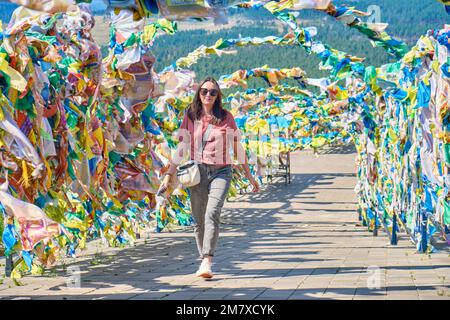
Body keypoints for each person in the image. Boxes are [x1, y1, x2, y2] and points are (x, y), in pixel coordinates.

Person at [159, 77, 260, 279]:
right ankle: (203, 258)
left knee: (212, 213)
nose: (208, 95)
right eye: (204, 91)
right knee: (198, 220)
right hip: (197, 173)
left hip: (222, 171)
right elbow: (182, 148)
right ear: (199, 93)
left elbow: (237, 148)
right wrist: (168, 175)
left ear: (218, 96)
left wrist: (250, 177)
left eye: (213, 92)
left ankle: (207, 260)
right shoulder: (190, 116)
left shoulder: (226, 117)